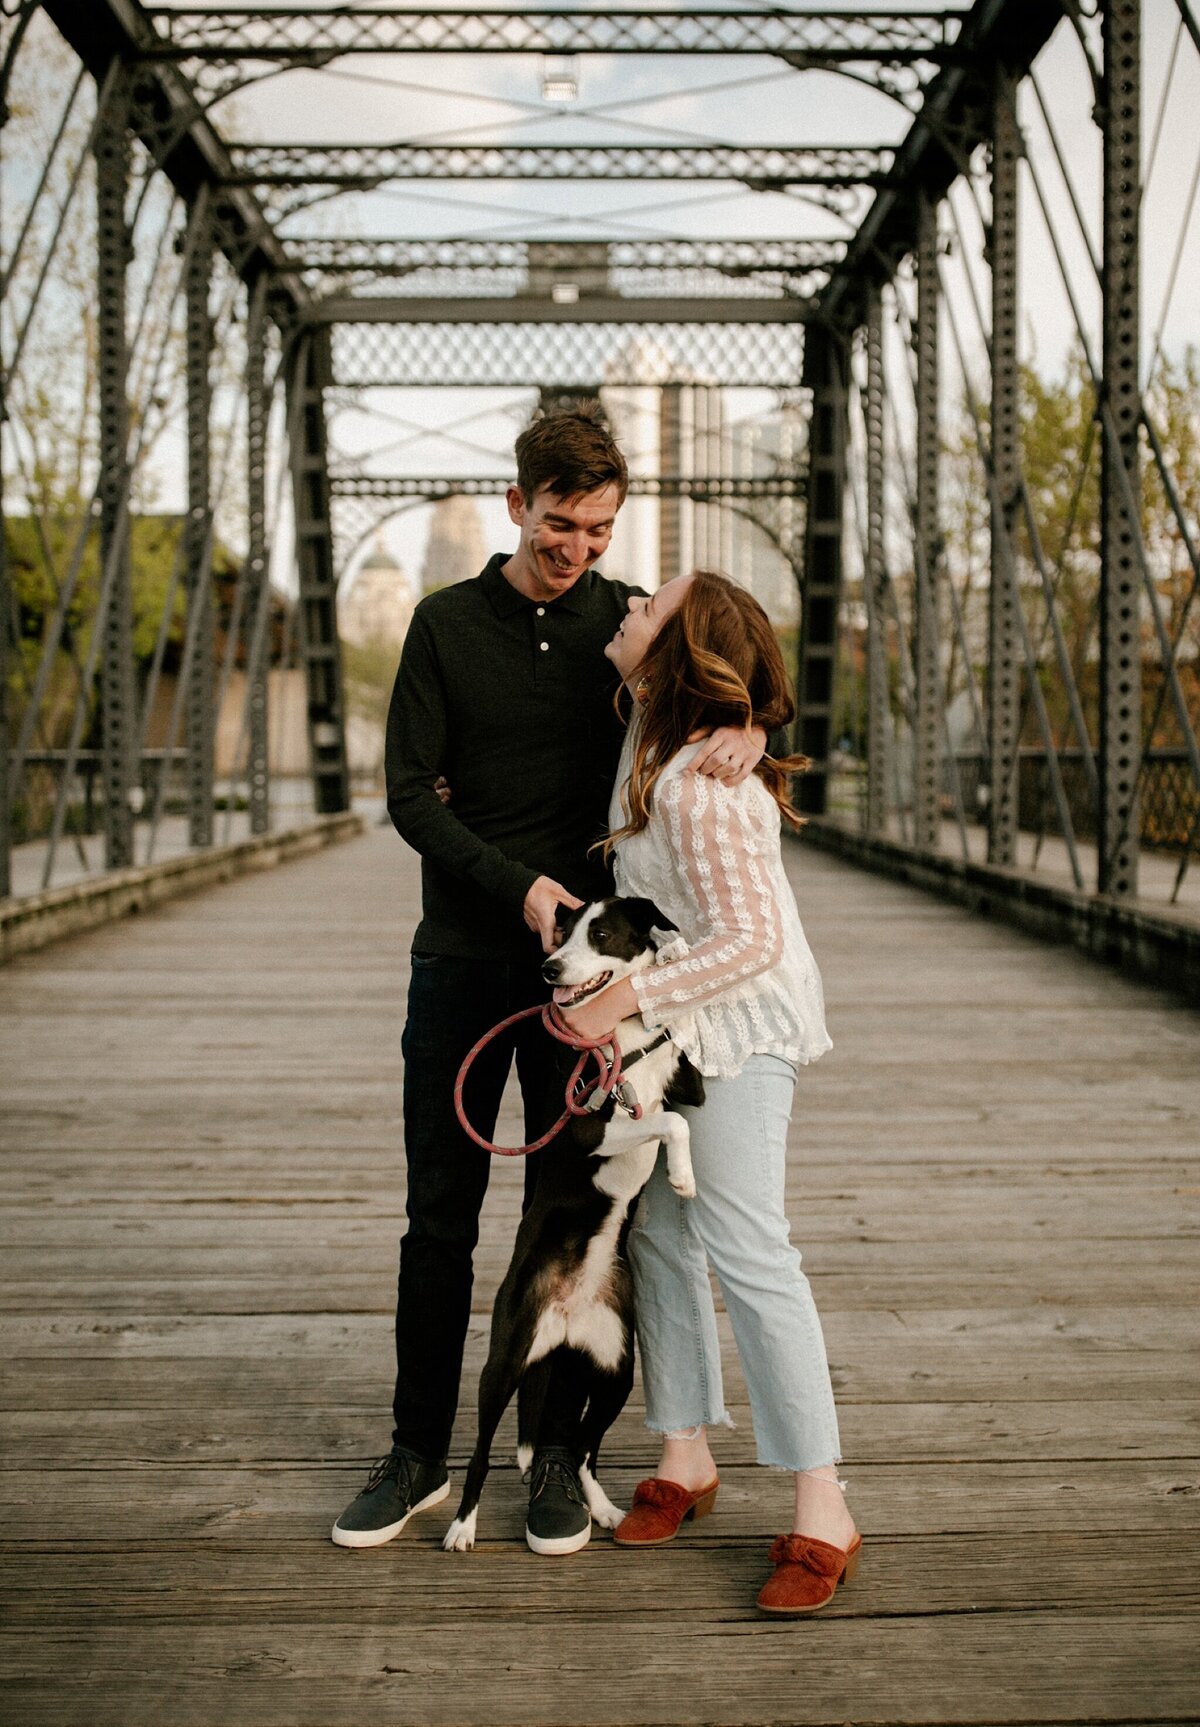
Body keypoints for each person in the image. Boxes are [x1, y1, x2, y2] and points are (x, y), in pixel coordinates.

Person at [332, 406, 766, 1556]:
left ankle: (559, 1457)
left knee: (566, 1220)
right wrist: (523, 888)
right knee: (440, 1221)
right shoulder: (441, 625)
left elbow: (727, 685)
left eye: (601, 527)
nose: (579, 546)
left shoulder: (624, 628)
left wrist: (754, 731)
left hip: (590, 995)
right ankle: (418, 1448)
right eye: (563, 521)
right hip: (464, 964)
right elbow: (410, 797)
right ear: (518, 500)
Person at [557, 569, 860, 1615]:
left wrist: (620, 997)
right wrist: (750, 718)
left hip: (738, 1029)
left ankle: (824, 1505)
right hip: (673, 1029)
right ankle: (684, 1453)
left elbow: (755, 937)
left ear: (675, 651)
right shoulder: (655, 744)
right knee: (660, 1240)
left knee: (748, 1244)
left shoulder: (699, 783)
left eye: (647, 608)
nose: (626, 607)